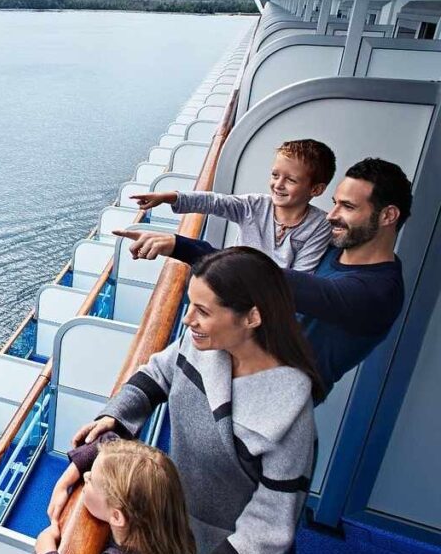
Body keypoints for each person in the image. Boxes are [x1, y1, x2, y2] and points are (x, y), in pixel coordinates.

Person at [48, 247, 322, 554]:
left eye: (202, 311)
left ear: (252, 317)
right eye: (190, 304)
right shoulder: (201, 344)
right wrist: (115, 419)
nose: (188, 318)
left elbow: (270, 528)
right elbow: (157, 373)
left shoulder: (289, 419)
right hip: (174, 527)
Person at [115, 157, 411, 397]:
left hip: (271, 407)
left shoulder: (376, 294)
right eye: (335, 202)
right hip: (236, 375)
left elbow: (265, 278)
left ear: (388, 216)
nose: (331, 215)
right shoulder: (331, 246)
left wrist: (180, 246)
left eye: (347, 207)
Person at [131, 139, 335, 272]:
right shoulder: (254, 206)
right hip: (232, 282)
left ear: (316, 190)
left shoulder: (319, 225)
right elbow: (214, 202)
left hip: (273, 300)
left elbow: (301, 278)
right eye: (275, 175)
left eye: (291, 180)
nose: (278, 185)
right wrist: (169, 197)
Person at [31, 438, 195, 554]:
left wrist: (45, 553)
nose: (85, 475)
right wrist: (65, 481)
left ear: (117, 516)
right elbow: (108, 438)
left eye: (91, 481)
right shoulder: (169, 531)